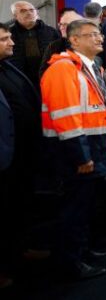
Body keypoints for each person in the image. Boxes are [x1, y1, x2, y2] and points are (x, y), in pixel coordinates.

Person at [41, 20, 106, 280]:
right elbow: (66, 117)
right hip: (76, 153)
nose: (100, 38)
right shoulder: (63, 70)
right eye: (92, 35)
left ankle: (83, 250)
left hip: (95, 147)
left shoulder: (91, 68)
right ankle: (70, 262)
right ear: (74, 40)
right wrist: (82, 156)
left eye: (99, 34)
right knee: (73, 209)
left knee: (86, 206)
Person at [0, 23, 43, 286]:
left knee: (19, 206)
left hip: (22, 154)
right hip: (4, 156)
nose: (12, 42)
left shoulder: (9, 66)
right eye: (5, 39)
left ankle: (19, 250)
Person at [8, 1, 60, 88]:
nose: (29, 13)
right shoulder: (8, 34)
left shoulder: (51, 32)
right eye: (23, 11)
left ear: (37, 13)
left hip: (49, 79)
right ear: (15, 16)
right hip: (19, 82)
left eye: (32, 10)